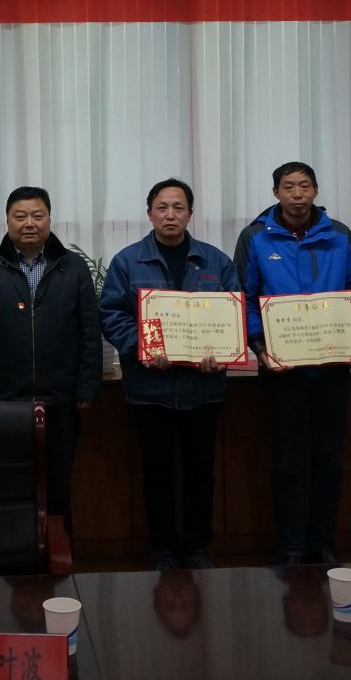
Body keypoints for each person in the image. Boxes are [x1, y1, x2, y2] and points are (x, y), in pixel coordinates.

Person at [100, 178, 240, 570]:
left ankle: (197, 549)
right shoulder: (128, 261)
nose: (170, 215)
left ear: (190, 214)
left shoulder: (216, 261)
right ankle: (162, 549)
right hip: (150, 390)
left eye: (178, 207)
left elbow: (233, 316)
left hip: (203, 389)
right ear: (149, 213)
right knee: (156, 474)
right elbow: (111, 315)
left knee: (201, 474)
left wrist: (222, 354)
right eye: (162, 207)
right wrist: (142, 346)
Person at [238, 162, 351, 566]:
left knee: (330, 461)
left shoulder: (339, 235)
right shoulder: (256, 237)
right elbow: (245, 299)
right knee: (287, 462)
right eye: (289, 187)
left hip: (332, 368)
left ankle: (323, 543)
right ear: (275, 192)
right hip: (282, 371)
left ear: (315, 190)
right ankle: (292, 546)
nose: (297, 194)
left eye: (305, 186)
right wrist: (261, 347)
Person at [0, 185, 102, 530]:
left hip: (61, 401)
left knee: (58, 488)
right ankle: (14, 557)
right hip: (3, 402)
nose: (29, 223)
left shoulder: (73, 268)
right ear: (7, 220)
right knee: (10, 485)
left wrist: (86, 386)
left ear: (49, 219)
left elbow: (89, 330)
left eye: (37, 216)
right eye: (20, 216)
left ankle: (59, 557)